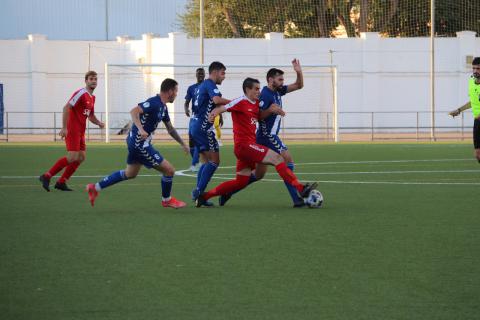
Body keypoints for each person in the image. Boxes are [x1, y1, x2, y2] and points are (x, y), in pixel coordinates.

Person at [196, 77, 317, 207]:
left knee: (240, 182)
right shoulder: (240, 101)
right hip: (244, 146)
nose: (259, 91)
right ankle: (300, 188)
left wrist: (272, 109)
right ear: (248, 89)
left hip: (248, 147)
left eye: (259, 88)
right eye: (256, 89)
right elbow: (222, 108)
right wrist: (213, 114)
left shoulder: (256, 103)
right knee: (277, 158)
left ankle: (204, 196)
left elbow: (261, 113)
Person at [86, 78, 189, 209]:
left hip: (136, 143)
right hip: (139, 144)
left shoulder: (163, 108)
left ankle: (95, 188)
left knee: (130, 173)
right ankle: (167, 200)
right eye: (176, 91)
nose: (176, 94)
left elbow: (170, 129)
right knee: (169, 170)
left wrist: (183, 143)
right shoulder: (154, 103)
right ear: (169, 91)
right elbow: (134, 111)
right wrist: (140, 128)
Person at [221, 59, 307, 207]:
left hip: (264, 138)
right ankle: (297, 198)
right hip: (267, 136)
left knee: (259, 175)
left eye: (282, 80)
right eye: (279, 79)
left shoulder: (278, 91)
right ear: (270, 80)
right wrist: (270, 110)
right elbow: (258, 115)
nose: (282, 82)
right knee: (287, 158)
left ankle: (229, 192)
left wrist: (298, 71)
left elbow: (299, 85)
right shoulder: (265, 95)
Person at [39, 71, 104, 192]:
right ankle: (46, 176)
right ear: (86, 81)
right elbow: (66, 107)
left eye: (95, 79)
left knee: (81, 157)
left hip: (81, 131)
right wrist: (64, 128)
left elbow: (90, 116)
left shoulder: (92, 98)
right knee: (72, 156)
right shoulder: (81, 93)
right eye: (91, 79)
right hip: (73, 129)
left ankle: (61, 182)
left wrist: (99, 123)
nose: (94, 81)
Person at [190, 61, 231, 205]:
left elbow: (214, 103)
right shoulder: (209, 84)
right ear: (214, 72)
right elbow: (217, 99)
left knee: (206, 162)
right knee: (215, 161)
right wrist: (235, 102)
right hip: (203, 128)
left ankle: (199, 195)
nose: (224, 77)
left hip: (194, 126)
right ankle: (198, 192)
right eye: (223, 73)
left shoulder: (201, 86)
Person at [449, 57, 480, 163]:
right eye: (474, 68)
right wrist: (459, 110)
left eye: (478, 69)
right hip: (477, 122)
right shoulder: (471, 81)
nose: (476, 71)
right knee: (477, 154)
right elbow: (473, 102)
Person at [184, 68, 205, 172]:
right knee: (191, 140)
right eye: (199, 73)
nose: (200, 75)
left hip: (202, 116)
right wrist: (186, 109)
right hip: (193, 116)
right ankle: (197, 162)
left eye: (202, 73)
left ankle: (194, 163)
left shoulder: (207, 86)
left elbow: (214, 101)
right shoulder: (191, 88)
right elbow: (187, 102)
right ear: (196, 75)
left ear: (205, 75)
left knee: (197, 139)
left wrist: (219, 117)